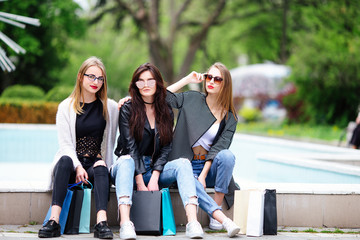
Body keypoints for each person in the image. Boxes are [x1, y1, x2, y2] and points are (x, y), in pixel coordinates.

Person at [111, 63, 204, 240]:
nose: (145, 85)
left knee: (183, 163)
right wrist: (140, 181)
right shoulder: (127, 109)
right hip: (128, 170)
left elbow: (167, 146)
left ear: (158, 84)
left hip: (155, 169)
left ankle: (193, 222)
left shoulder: (166, 110)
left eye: (150, 81)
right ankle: (125, 224)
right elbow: (130, 147)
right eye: (140, 82)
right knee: (126, 160)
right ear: (135, 85)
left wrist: (154, 177)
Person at [38, 57, 118, 239]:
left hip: (93, 166)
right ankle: (54, 222)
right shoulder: (66, 107)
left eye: (100, 78)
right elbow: (65, 145)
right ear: (80, 77)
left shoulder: (110, 107)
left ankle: (101, 223)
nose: (95, 82)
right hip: (71, 166)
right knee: (65, 159)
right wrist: (78, 166)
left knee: (101, 166)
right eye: (91, 76)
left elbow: (147, 97)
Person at [166, 62, 240, 237]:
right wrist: (186, 79)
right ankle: (220, 217)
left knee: (227, 156)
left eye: (217, 79)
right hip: (185, 164)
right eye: (208, 77)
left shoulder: (230, 117)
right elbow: (162, 97)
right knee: (189, 178)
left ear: (225, 84)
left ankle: (215, 213)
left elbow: (219, 148)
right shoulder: (192, 98)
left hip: (208, 167)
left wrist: (204, 175)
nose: (211, 81)